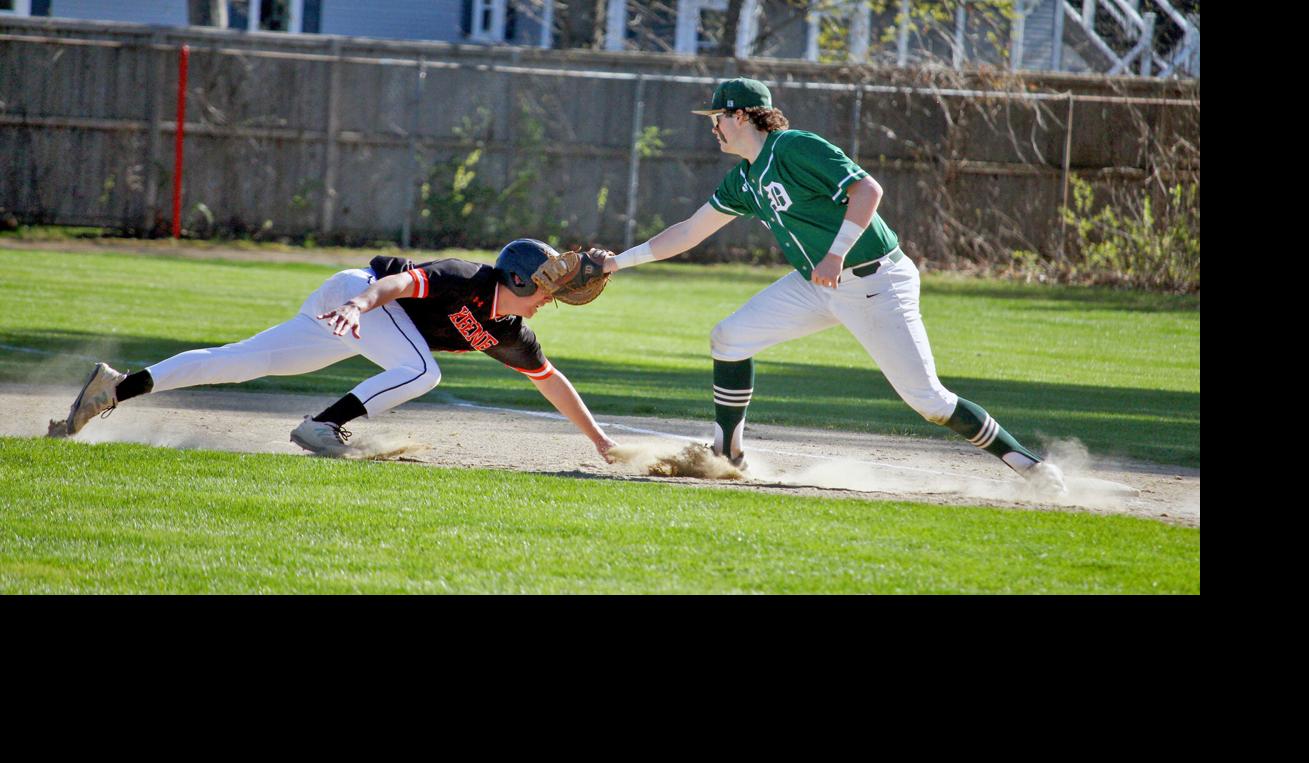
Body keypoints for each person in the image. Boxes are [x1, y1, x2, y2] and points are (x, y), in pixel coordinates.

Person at [600, 77, 1068, 497]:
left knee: (928, 400)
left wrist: (836, 251)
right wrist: (617, 264)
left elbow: (868, 190)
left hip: (875, 281)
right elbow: (688, 232)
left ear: (741, 116)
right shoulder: (744, 178)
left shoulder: (795, 147)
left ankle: (1030, 465)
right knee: (729, 337)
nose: (713, 127)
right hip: (818, 283)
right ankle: (728, 455)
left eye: (718, 117)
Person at [59, 239, 621, 462]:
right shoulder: (466, 277)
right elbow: (397, 287)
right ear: (520, 281)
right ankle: (322, 426)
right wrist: (358, 306)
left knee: (241, 361)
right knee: (421, 370)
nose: (549, 301)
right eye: (545, 290)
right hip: (358, 293)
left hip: (360, 314)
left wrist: (599, 440)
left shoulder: (508, 333)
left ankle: (115, 388)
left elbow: (550, 380)